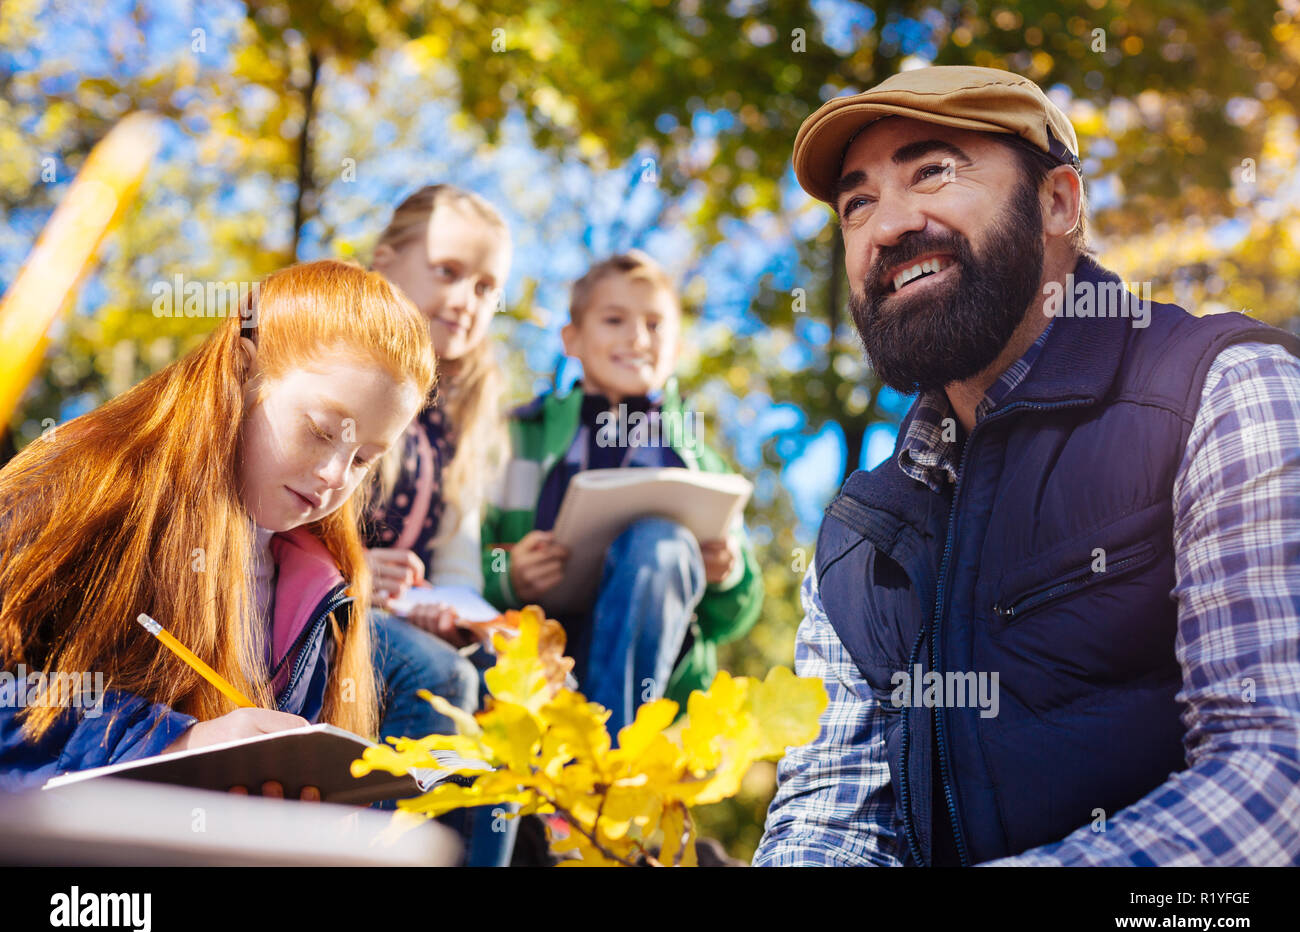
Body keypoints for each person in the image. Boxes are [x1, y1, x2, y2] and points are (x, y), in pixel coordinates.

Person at [754, 65, 1300, 867]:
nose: (887, 225)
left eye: (933, 170)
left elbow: (1277, 777)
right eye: (857, 203)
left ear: (1058, 203)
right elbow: (829, 819)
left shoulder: (1224, 390)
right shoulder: (855, 545)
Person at [0, 260, 434, 794]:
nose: (334, 475)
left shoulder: (324, 584)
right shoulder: (88, 488)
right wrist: (173, 744)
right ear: (242, 372)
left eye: (365, 458)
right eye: (321, 431)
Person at [481, 251, 764, 729]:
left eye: (655, 325)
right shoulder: (515, 438)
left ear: (675, 349)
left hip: (654, 690)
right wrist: (509, 573)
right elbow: (464, 557)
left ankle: (608, 771)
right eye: (615, 320)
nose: (637, 338)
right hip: (530, 671)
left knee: (662, 543)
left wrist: (724, 576)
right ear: (571, 339)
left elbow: (736, 612)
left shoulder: (698, 460)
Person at [364, 184, 517, 865]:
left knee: (515, 691)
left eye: (486, 287)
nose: (466, 300)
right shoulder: (343, 361)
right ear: (385, 262)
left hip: (402, 613)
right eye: (448, 273)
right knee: (438, 677)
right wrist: (353, 571)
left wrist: (450, 608)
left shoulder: (460, 412)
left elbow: (455, 560)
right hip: (319, 605)